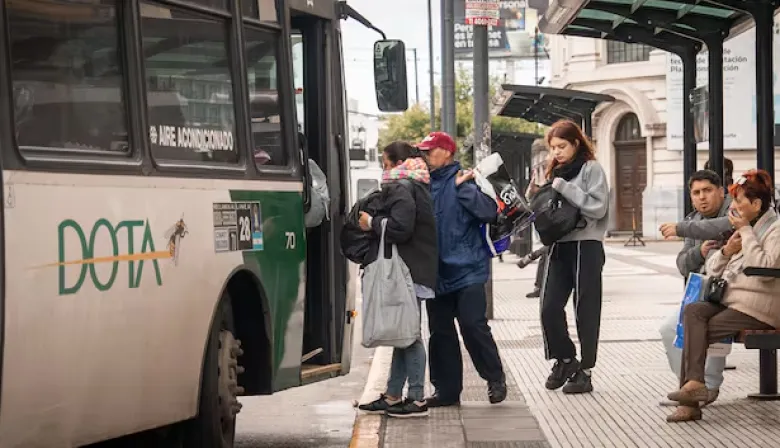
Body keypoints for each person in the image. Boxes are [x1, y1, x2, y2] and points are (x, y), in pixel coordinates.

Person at [667, 169, 780, 422]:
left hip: (758, 307)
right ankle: (695, 384)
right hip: (733, 301)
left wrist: (747, 234)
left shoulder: (774, 230)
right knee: (693, 312)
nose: (735, 206)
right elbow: (713, 268)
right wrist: (728, 250)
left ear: (756, 204)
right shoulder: (746, 227)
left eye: (739, 200)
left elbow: (766, 270)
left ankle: (691, 402)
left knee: (698, 329)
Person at [415, 131, 508, 407]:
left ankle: (495, 378)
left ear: (447, 152)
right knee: (440, 333)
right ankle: (446, 390)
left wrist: (470, 188)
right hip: (437, 272)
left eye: (430, 151)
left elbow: (490, 212)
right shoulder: (425, 186)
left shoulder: (464, 183)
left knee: (473, 325)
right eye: (425, 151)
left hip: (468, 269)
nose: (426, 156)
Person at [356, 141, 438, 418]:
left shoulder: (403, 187)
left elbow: (401, 228)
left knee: (410, 335)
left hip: (408, 271)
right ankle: (393, 395)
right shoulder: (414, 183)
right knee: (404, 333)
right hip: (413, 268)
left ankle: (415, 398)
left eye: (384, 161)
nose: (382, 166)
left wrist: (372, 223)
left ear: (394, 163)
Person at [539, 120, 609, 394]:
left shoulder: (591, 169)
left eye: (562, 146)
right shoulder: (553, 171)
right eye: (553, 147)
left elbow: (598, 208)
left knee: (586, 310)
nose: (557, 152)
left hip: (586, 245)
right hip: (559, 244)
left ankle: (586, 370)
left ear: (576, 143)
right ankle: (565, 359)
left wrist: (563, 187)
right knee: (548, 306)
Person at [657, 170, 731, 407]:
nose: (702, 197)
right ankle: (689, 384)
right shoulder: (693, 220)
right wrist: (698, 253)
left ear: (721, 191)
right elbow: (682, 265)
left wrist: (682, 229)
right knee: (669, 328)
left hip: (733, 293)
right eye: (696, 193)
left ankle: (709, 386)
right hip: (704, 295)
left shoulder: (734, 211)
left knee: (709, 325)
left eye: (708, 191)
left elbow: (719, 227)